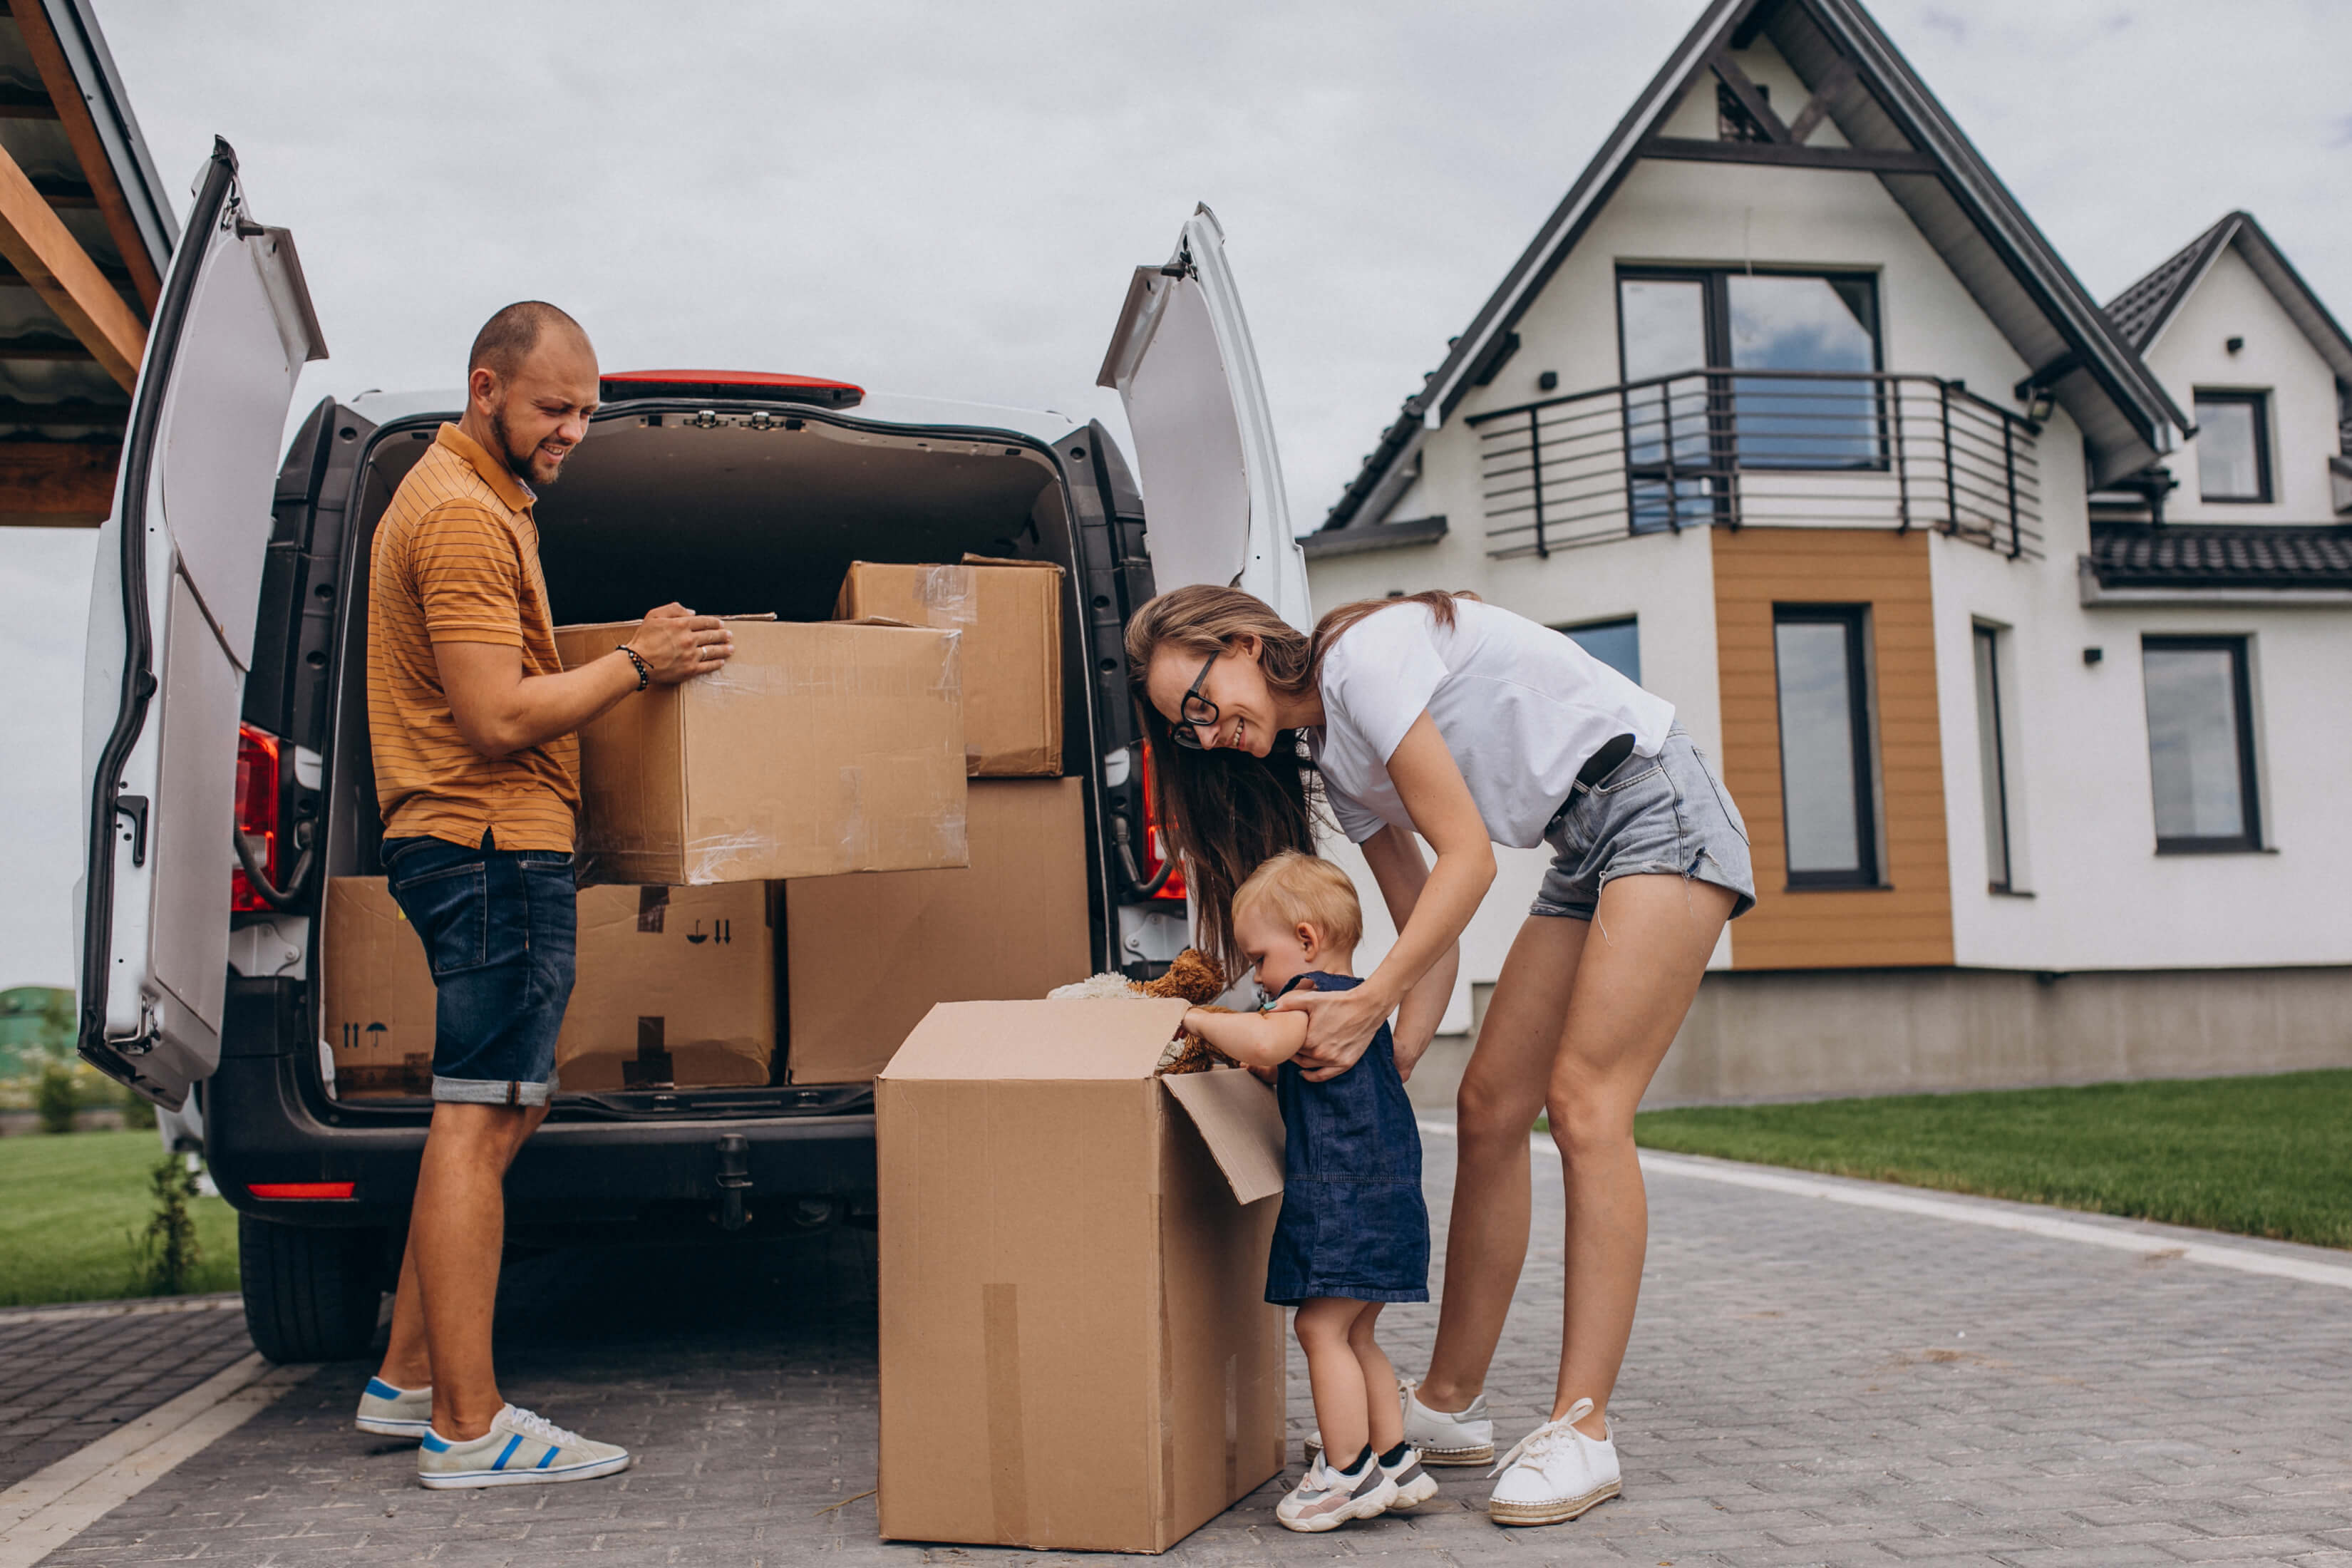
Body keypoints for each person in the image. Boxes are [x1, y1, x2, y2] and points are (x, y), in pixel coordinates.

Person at [1127, 584, 1753, 1527]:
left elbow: (1469, 861)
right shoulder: (1334, 760)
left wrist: (1371, 1000)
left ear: (1246, 643)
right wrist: (1390, 1053)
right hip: (1582, 845)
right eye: (1188, 729)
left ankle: (1582, 1430)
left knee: (1586, 1106)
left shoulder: (1364, 660)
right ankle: (1451, 1404)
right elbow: (1432, 923)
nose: (1208, 734)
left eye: (1204, 704)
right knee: (1491, 1106)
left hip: (1654, 803)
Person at [354, 301, 734, 1489]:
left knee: (490, 1114)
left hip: (468, 844)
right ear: (484, 391)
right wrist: (637, 665)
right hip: (485, 846)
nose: (573, 430)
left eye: (586, 411)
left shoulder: (463, 497)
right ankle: (468, 1430)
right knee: (481, 1118)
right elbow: (496, 715)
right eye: (552, 409)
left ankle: (406, 1378)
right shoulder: (463, 517)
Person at [1180, 850, 1437, 1535]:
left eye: (1257, 958)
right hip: (1389, 1200)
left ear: (1304, 940)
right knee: (1356, 1332)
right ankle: (1395, 1460)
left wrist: (1200, 1020)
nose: (1255, 978)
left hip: (1341, 1201)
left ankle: (1345, 1474)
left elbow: (1266, 1043)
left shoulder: (1310, 999)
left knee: (1318, 1326)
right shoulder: (1362, 1015)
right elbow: (1281, 1067)